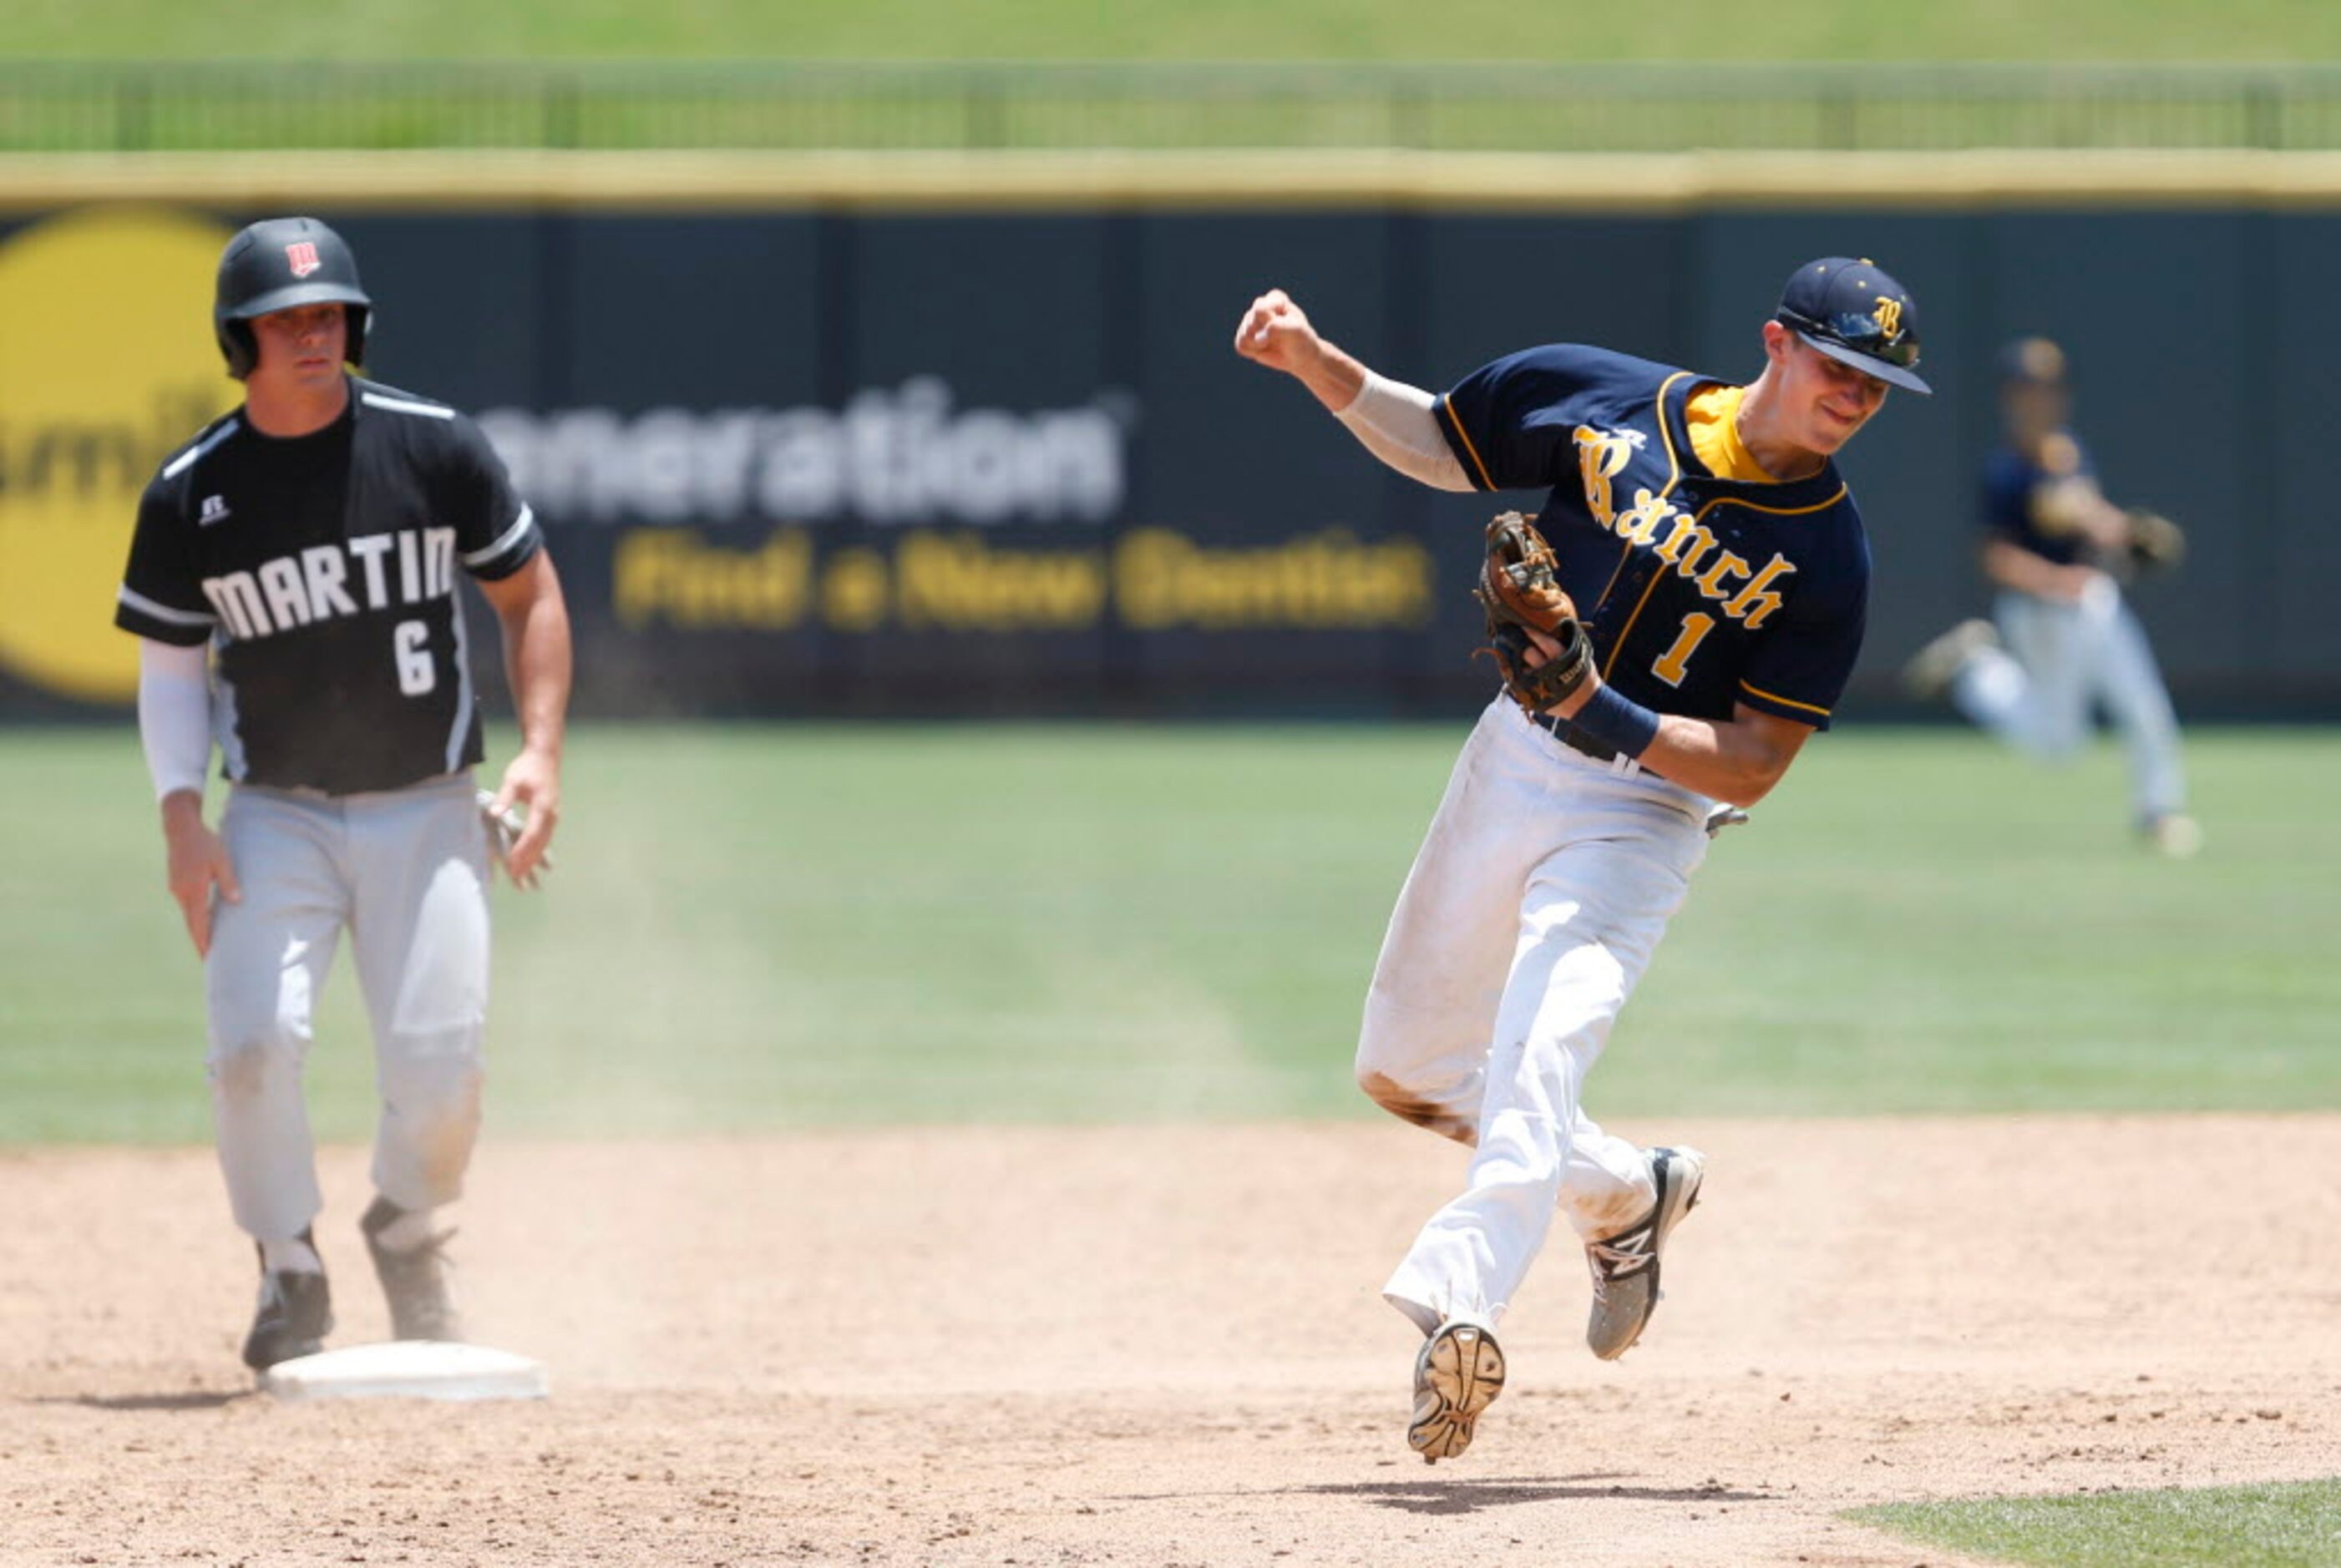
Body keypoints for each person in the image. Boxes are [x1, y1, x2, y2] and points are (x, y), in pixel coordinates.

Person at [1234, 256, 1928, 1462]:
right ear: (1775, 341)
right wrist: (1314, 362)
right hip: (1509, 759)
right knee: (1405, 1066)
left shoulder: (1828, 555)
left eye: (1873, 384)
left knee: (1539, 1048)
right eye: (1836, 366)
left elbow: (1755, 759)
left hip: (1643, 817)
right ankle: (1625, 1192)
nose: (1852, 396)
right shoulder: (1610, 402)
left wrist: (1603, 709)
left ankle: (1458, 1306)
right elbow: (1441, 441)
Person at [113, 216, 572, 1372]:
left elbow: (532, 598)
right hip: (277, 812)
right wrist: (181, 812)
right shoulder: (189, 493)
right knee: (253, 1041)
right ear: (241, 340)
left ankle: (406, 1226)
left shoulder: (434, 447)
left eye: (328, 315)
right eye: (286, 319)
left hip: (429, 803)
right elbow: (171, 665)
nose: (313, 336)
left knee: (442, 1071)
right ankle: (288, 1265)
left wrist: (540, 752)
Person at [1903, 336, 2199, 856]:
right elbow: (1997, 558)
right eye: (2030, 387)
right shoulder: (2005, 472)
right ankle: (1976, 671)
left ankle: (2160, 811)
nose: (2043, 397)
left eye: (2052, 386)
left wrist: (2127, 532)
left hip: (2093, 602)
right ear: (2011, 396)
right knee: (2058, 745)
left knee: (2145, 703)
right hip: (2039, 613)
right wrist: (2054, 582)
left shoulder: (2070, 453)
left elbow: (2090, 515)